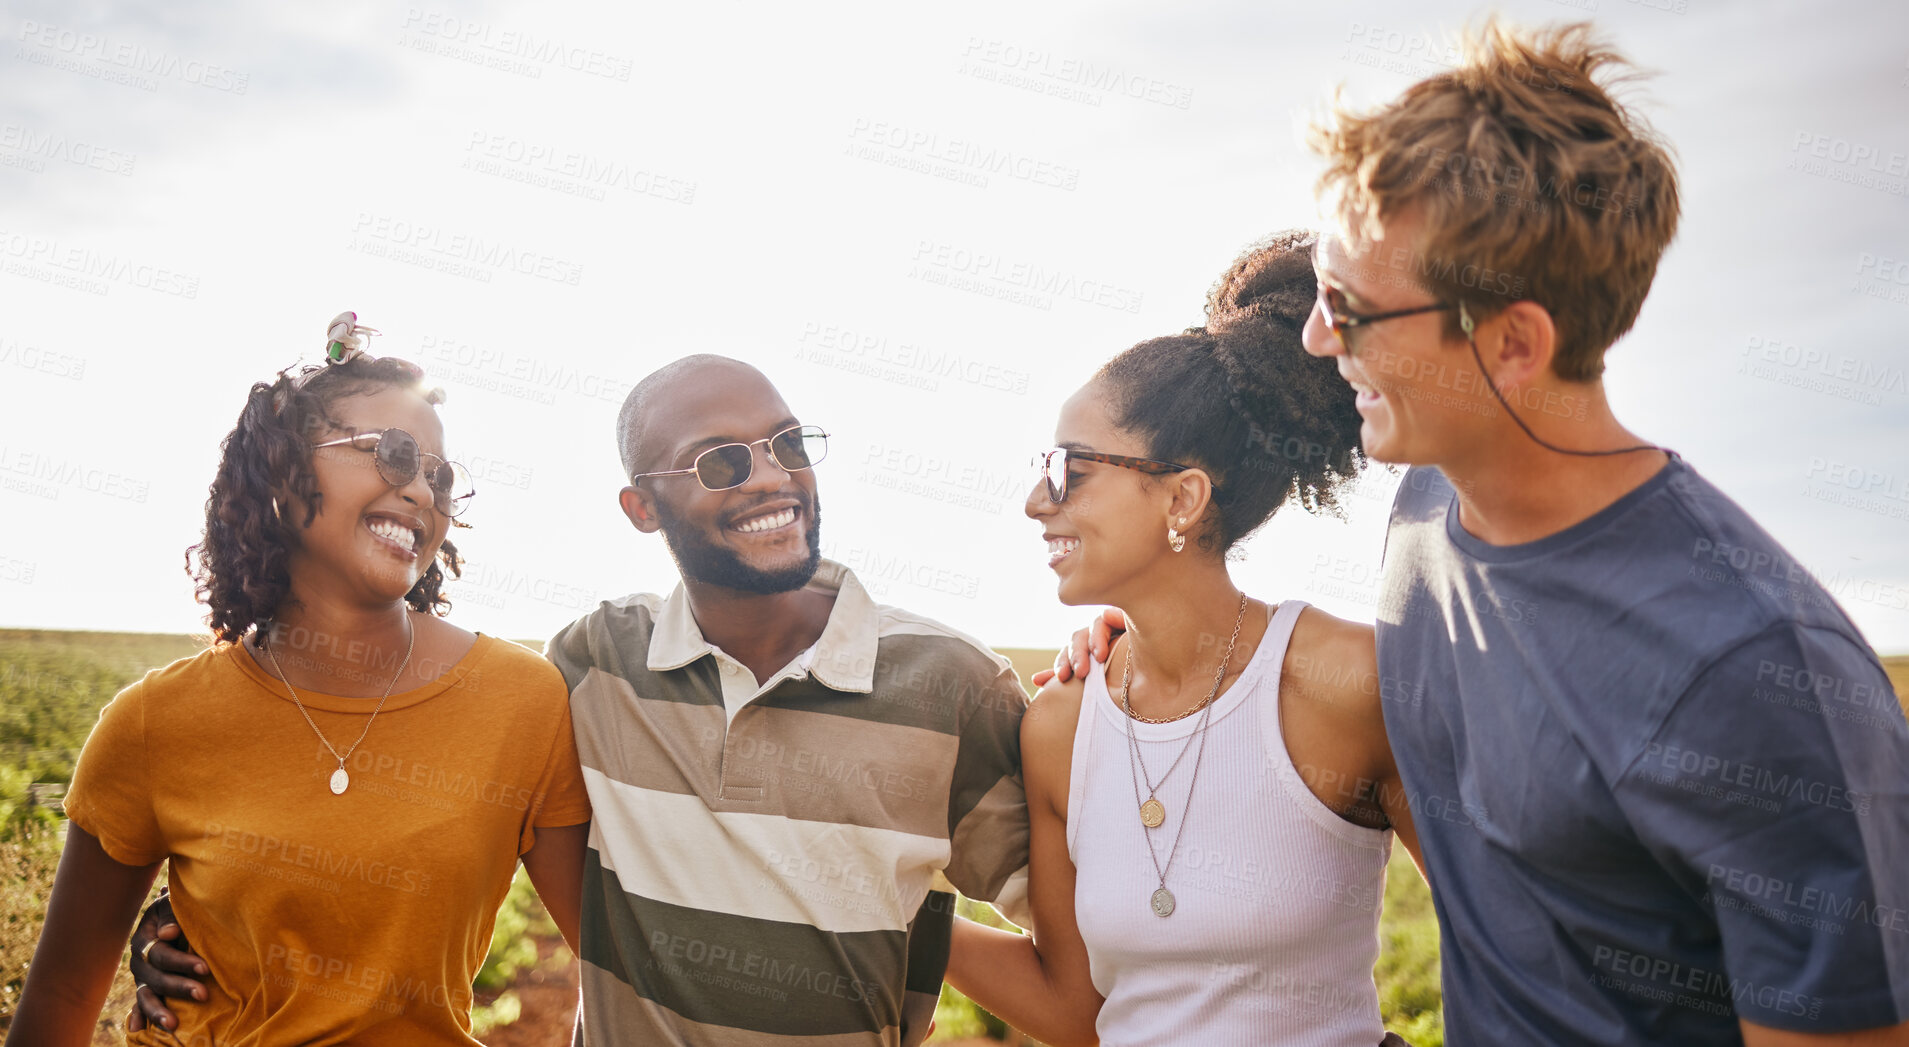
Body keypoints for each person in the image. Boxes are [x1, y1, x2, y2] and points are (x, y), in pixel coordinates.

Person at [1063, 19, 1909, 1045]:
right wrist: (1157, 641)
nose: (1316, 338)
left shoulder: (1748, 672)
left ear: (1513, 344)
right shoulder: (1428, 508)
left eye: (1352, 308)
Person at [126, 354, 1030, 1045]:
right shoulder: (593, 666)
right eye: (719, 462)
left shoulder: (951, 684)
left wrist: (886, 917)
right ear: (641, 508)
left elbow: (1090, 967)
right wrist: (201, 923)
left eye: (788, 444)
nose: (769, 475)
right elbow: (382, 765)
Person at [7, 315, 591, 1047]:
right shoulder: (155, 719)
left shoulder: (520, 699)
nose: (420, 490)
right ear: (283, 472)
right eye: (394, 454)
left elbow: (615, 966)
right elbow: (62, 990)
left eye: (439, 477)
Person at [948, 232, 1420, 1047]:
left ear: (1182, 497)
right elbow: (1074, 1009)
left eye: (1069, 469)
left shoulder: (1348, 681)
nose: (1034, 499)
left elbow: (1503, 949)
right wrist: (880, 904)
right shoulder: (1060, 723)